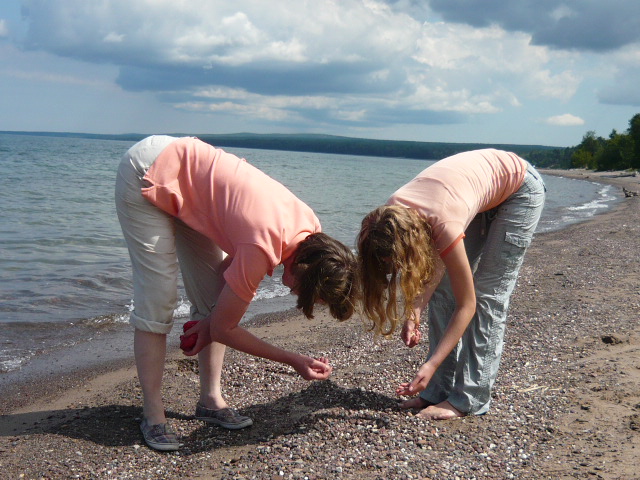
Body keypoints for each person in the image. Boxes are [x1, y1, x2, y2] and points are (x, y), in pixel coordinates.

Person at [115, 135, 357, 451]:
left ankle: (210, 399)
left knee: (215, 298)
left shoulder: (311, 232)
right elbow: (224, 328)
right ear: (304, 270)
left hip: (189, 183)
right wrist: (293, 360)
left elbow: (224, 285)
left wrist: (212, 320)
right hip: (147, 168)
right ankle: (152, 413)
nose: (296, 296)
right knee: (158, 299)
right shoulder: (264, 245)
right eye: (306, 294)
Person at [357, 149, 545, 420]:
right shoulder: (387, 217)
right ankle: (436, 392)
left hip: (519, 190)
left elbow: (467, 305)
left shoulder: (444, 223)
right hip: (470, 195)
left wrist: (431, 364)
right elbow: (434, 266)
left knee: (486, 296)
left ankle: (469, 399)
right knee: (443, 290)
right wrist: (414, 311)